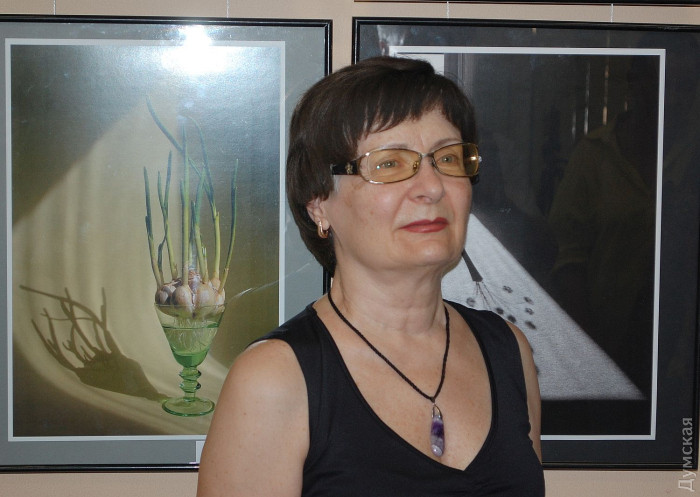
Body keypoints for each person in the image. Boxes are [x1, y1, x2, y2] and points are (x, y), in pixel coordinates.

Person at [197, 56, 544, 496]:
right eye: (389, 164)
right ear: (318, 204)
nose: (432, 187)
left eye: (448, 158)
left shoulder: (508, 351)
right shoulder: (274, 379)